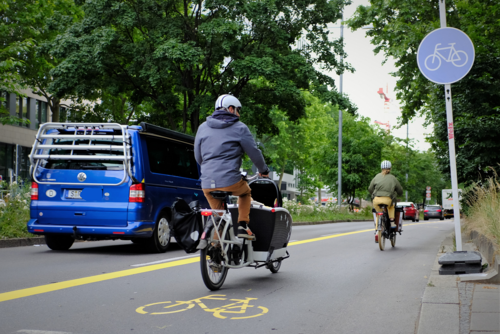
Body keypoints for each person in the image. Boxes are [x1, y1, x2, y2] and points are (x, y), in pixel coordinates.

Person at [194, 94, 269, 240]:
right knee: (245, 193)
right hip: (230, 180)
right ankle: (242, 225)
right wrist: (263, 170)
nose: (239, 114)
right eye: (237, 110)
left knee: (218, 214)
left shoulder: (202, 128)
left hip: (207, 182)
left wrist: (209, 171)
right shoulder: (239, 128)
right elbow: (254, 152)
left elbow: (198, 156)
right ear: (230, 109)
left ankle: (215, 251)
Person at [368, 160, 403, 228]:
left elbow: (370, 188)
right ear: (390, 168)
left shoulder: (376, 176)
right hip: (388, 200)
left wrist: (373, 194)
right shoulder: (393, 178)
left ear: (381, 168)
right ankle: (392, 222)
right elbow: (399, 190)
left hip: (376, 200)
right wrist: (400, 193)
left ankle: (378, 221)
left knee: (378, 211)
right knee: (391, 206)